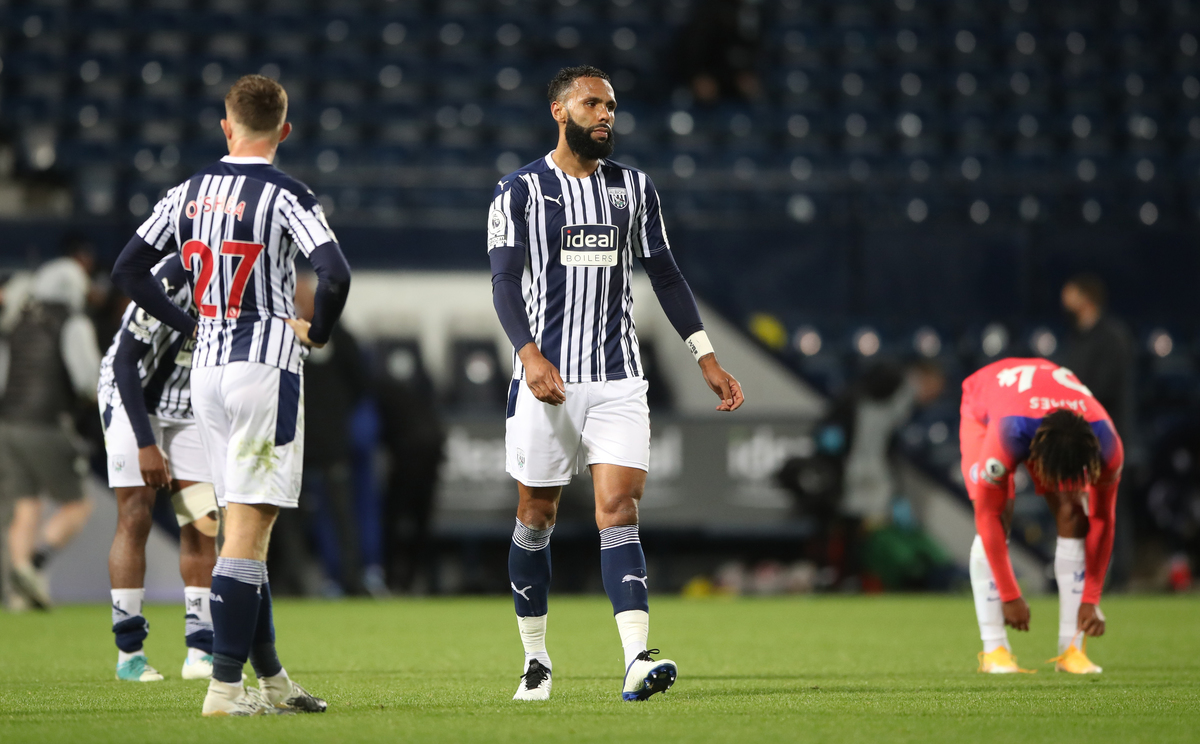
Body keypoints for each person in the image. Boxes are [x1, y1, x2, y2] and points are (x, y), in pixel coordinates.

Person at [487, 65, 744, 702]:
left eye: (611, 105)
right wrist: (528, 355)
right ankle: (536, 660)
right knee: (536, 515)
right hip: (547, 380)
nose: (605, 114)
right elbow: (503, 281)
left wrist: (705, 357)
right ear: (559, 111)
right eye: (592, 103)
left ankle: (635, 659)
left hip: (619, 378)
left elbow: (667, 275)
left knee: (620, 509)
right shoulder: (519, 191)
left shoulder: (633, 188)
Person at [112, 74, 350, 716]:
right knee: (246, 529)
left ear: (226, 126)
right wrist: (317, 332)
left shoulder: (188, 192)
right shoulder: (286, 193)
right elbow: (334, 272)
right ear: (285, 130)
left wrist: (188, 321)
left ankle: (271, 681)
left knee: (240, 530)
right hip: (263, 367)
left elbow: (128, 269)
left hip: (207, 374)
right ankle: (223, 689)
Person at [98, 255, 220, 682]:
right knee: (135, 516)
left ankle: (200, 651)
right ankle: (129, 654)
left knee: (201, 521)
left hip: (189, 409)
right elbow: (124, 361)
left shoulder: (244, 279)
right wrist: (146, 444)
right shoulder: (172, 277)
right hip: (131, 399)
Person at [960, 358, 1122, 675]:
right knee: (1000, 511)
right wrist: (1010, 595)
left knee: (1073, 511)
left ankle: (1071, 649)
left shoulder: (1109, 446)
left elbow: (1103, 519)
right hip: (986, 407)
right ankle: (994, 650)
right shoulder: (1008, 434)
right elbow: (986, 515)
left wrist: (1091, 598)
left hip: (1040, 410)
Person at [1, 251, 101, 610]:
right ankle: (37, 563)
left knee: (25, 505)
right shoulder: (72, 322)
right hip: (47, 423)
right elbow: (87, 379)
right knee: (77, 505)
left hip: (8, 423)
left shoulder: (17, 319)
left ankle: (20, 584)